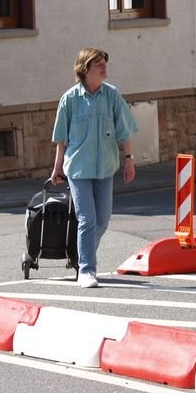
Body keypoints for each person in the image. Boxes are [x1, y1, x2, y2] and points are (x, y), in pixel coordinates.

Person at [50, 47, 138, 288]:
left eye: (105, 63)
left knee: (103, 220)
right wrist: (57, 168)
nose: (104, 68)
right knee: (87, 219)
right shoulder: (69, 99)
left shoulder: (112, 95)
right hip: (78, 169)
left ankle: (82, 252)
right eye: (99, 64)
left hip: (105, 167)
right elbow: (61, 139)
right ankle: (87, 270)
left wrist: (129, 158)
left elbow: (125, 130)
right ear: (85, 69)